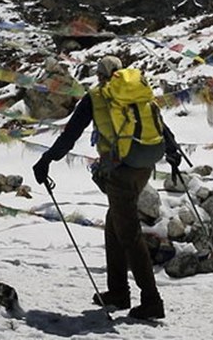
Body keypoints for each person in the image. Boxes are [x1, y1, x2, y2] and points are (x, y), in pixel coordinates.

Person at [32, 55, 181, 320]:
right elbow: (160, 124)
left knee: (129, 233)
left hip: (120, 171)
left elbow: (70, 135)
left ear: (100, 75)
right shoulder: (137, 91)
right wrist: (172, 151)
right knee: (115, 222)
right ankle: (118, 292)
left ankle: (151, 300)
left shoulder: (97, 96)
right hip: (144, 166)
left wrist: (46, 159)